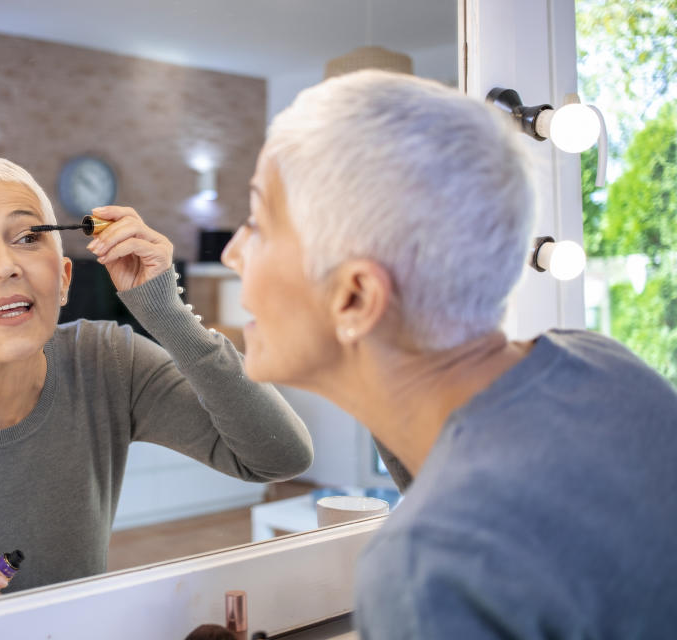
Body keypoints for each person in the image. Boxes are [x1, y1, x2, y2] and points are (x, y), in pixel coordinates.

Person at [221, 70, 677, 638]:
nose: (234, 252)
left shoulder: (428, 569)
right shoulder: (605, 367)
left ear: (356, 297)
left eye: (258, 222)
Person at [0, 156, 313, 630]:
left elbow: (279, 457)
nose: (5, 266)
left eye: (28, 237)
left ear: (65, 279)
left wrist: (166, 312)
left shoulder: (110, 361)